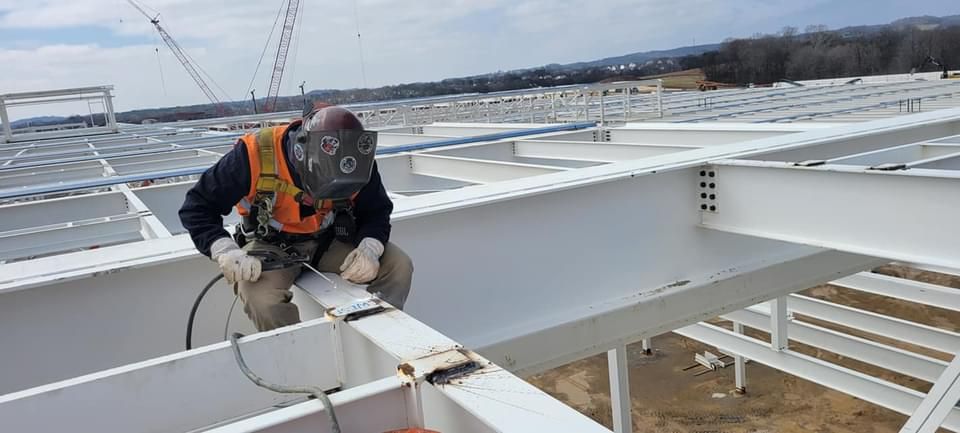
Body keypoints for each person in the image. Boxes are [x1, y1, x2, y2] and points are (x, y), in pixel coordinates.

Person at [178, 104, 412, 331]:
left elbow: (376, 210)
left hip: (329, 239)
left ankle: (376, 332)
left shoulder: (357, 161)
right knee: (262, 301)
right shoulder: (254, 154)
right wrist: (225, 250)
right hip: (271, 246)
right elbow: (197, 207)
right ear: (301, 154)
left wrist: (370, 248)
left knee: (398, 265)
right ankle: (297, 354)